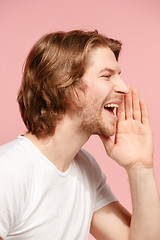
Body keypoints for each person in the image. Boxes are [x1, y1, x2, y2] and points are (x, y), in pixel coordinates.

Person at [0, 30, 159, 240]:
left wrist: (140, 168)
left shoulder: (85, 169)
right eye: (107, 76)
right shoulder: (8, 171)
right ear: (66, 85)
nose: (123, 88)